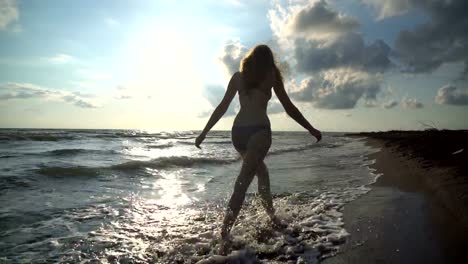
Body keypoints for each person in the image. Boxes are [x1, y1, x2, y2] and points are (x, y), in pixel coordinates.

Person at [195, 44, 322, 254]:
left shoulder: (238, 77)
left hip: (238, 135)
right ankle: (224, 234)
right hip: (259, 133)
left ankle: (270, 216)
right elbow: (289, 107)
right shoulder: (271, 75)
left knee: (261, 172)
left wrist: (204, 132)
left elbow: (222, 106)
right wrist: (311, 128)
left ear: (250, 59)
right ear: (269, 61)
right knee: (244, 181)